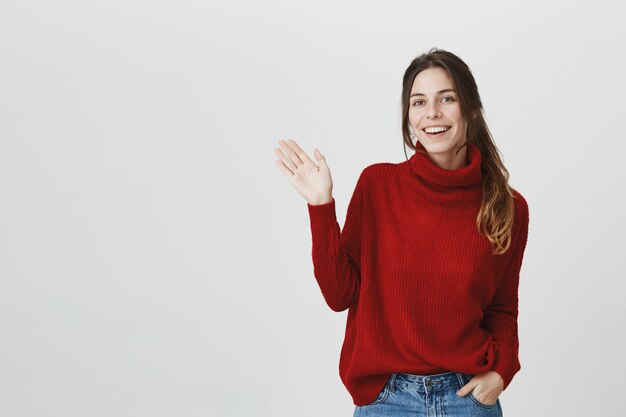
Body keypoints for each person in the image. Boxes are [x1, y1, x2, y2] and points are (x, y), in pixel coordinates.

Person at [274, 47, 529, 417]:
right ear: (409, 117)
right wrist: (320, 206)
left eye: (447, 99)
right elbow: (339, 294)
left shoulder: (508, 207)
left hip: (468, 398)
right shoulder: (378, 185)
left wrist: (502, 370)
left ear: (471, 109)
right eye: (419, 102)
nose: (432, 114)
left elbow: (502, 309)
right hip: (387, 400)